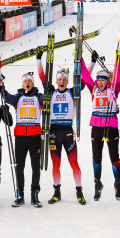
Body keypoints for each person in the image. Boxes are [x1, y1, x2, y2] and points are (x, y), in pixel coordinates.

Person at [36, 53, 87, 205]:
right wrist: (39, 59)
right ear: (57, 81)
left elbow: (85, 80)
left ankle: (79, 192)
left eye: (64, 79)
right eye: (60, 79)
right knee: (56, 165)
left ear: (67, 81)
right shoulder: (51, 92)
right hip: (53, 132)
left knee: (74, 163)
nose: (62, 81)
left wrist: (89, 63)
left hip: (68, 133)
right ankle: (57, 192)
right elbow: (41, 76)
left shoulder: (72, 92)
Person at [81, 50, 120, 201]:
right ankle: (97, 183)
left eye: (102, 80)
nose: (99, 82)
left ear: (108, 81)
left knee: (114, 156)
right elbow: (85, 75)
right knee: (96, 157)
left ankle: (118, 183)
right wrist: (79, 58)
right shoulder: (93, 89)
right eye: (98, 80)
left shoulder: (113, 90)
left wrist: (118, 58)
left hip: (111, 127)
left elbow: (118, 77)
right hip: (96, 127)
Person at [0, 72, 44, 207]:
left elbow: (46, 101)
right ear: (22, 84)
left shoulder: (38, 96)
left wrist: (47, 92)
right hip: (20, 137)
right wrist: (1, 87)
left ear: (33, 84)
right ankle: (20, 195)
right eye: (25, 82)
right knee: (19, 166)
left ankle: (35, 194)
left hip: (35, 136)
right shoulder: (18, 97)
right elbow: (7, 98)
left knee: (35, 166)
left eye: (29, 81)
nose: (27, 83)